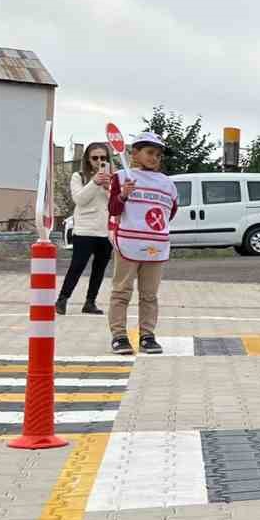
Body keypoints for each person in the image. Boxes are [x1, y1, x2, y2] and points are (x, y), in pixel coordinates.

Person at [106, 133, 178, 355]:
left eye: (158, 155)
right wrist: (124, 196)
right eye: (149, 152)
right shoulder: (121, 178)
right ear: (134, 154)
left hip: (155, 245)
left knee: (149, 294)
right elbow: (113, 210)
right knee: (121, 291)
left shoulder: (168, 183)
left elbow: (170, 211)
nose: (154, 158)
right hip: (128, 243)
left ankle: (147, 335)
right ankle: (119, 336)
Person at [56, 142, 114, 315]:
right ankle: (62, 299)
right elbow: (80, 199)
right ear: (88, 159)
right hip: (85, 230)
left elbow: (116, 203)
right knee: (77, 266)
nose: (99, 161)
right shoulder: (78, 176)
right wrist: (94, 182)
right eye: (95, 158)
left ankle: (90, 302)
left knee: (99, 268)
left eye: (103, 158)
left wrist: (108, 188)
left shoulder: (113, 177)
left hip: (105, 230)